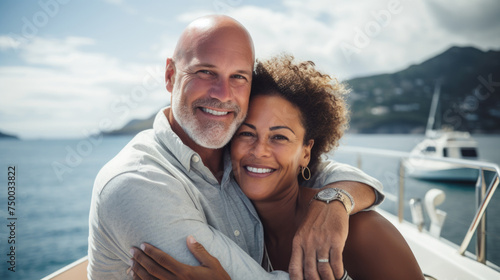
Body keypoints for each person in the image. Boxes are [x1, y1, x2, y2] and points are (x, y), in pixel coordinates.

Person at [88, 15, 384, 279]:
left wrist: (334, 202)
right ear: (169, 75)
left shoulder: (236, 148)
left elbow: (323, 169)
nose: (222, 93)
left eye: (238, 77)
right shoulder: (135, 183)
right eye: (205, 72)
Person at [130, 55, 425, 279]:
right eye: (246, 133)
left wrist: (336, 200)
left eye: (280, 137)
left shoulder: (359, 232)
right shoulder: (226, 232)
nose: (260, 150)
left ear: (306, 152)